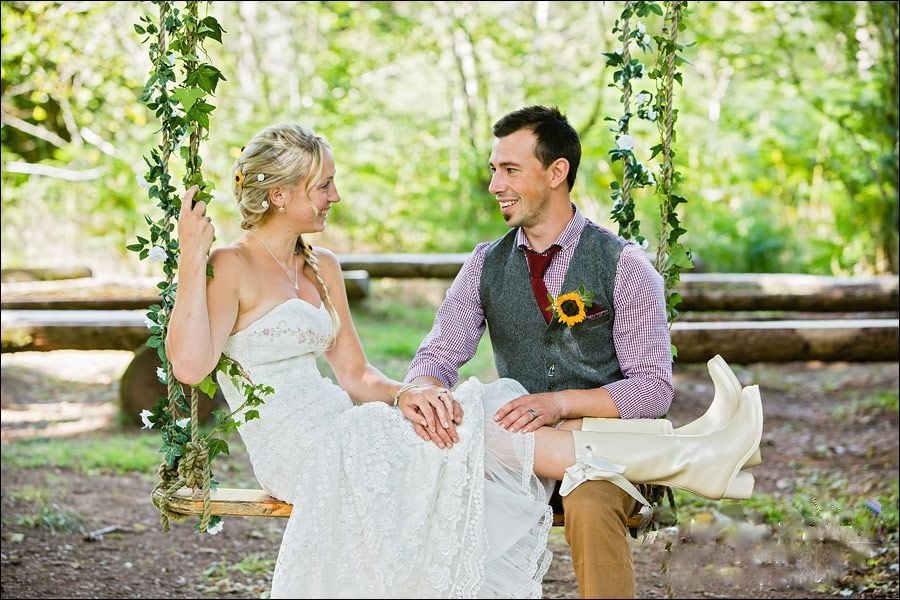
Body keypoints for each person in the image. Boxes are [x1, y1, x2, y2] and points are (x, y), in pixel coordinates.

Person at [166, 122, 763, 599]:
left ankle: (692, 455)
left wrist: (407, 397)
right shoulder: (229, 266)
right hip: (300, 443)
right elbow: (191, 368)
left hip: (357, 421)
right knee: (466, 419)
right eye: (323, 185)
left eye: (508, 169)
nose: (335, 196)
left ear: (556, 174)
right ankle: (691, 455)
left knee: (482, 430)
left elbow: (355, 375)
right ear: (279, 194)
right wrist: (192, 259)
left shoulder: (321, 267)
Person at [399, 105, 709, 598]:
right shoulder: (484, 263)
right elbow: (437, 355)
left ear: (557, 172)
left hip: (604, 452)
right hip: (515, 453)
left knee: (587, 502)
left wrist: (561, 403)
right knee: (439, 483)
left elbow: (652, 391)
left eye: (510, 170)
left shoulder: (624, 265)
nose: (495, 185)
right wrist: (424, 388)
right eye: (494, 170)